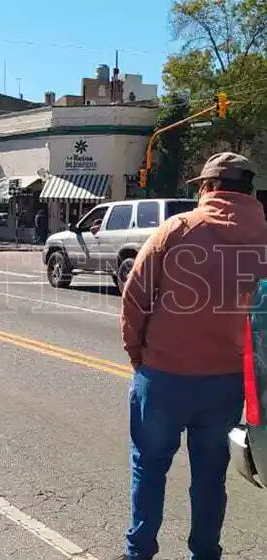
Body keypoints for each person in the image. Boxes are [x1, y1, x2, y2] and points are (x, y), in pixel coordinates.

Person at [120, 152, 266, 560]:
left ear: (207, 188)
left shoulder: (177, 230)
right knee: (209, 477)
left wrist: (139, 356)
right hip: (226, 382)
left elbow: (135, 299)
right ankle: (205, 553)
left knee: (149, 469)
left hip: (164, 375)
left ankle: (140, 552)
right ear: (248, 191)